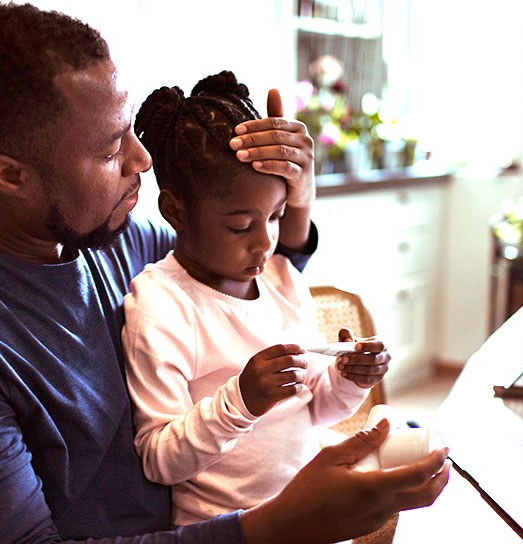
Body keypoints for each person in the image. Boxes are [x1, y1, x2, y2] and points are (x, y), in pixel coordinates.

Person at [0, 4, 449, 543]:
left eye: (131, 129)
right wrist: (277, 525)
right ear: (10, 175)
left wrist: (297, 204)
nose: (142, 160)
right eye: (110, 152)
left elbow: (235, 279)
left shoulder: (105, 237)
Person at [125, 72, 386, 526]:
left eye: (277, 217)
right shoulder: (161, 305)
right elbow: (158, 459)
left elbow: (318, 409)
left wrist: (350, 379)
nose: (265, 243)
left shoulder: (283, 279)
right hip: (227, 530)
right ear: (175, 211)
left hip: (308, 515)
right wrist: (241, 401)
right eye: (240, 226)